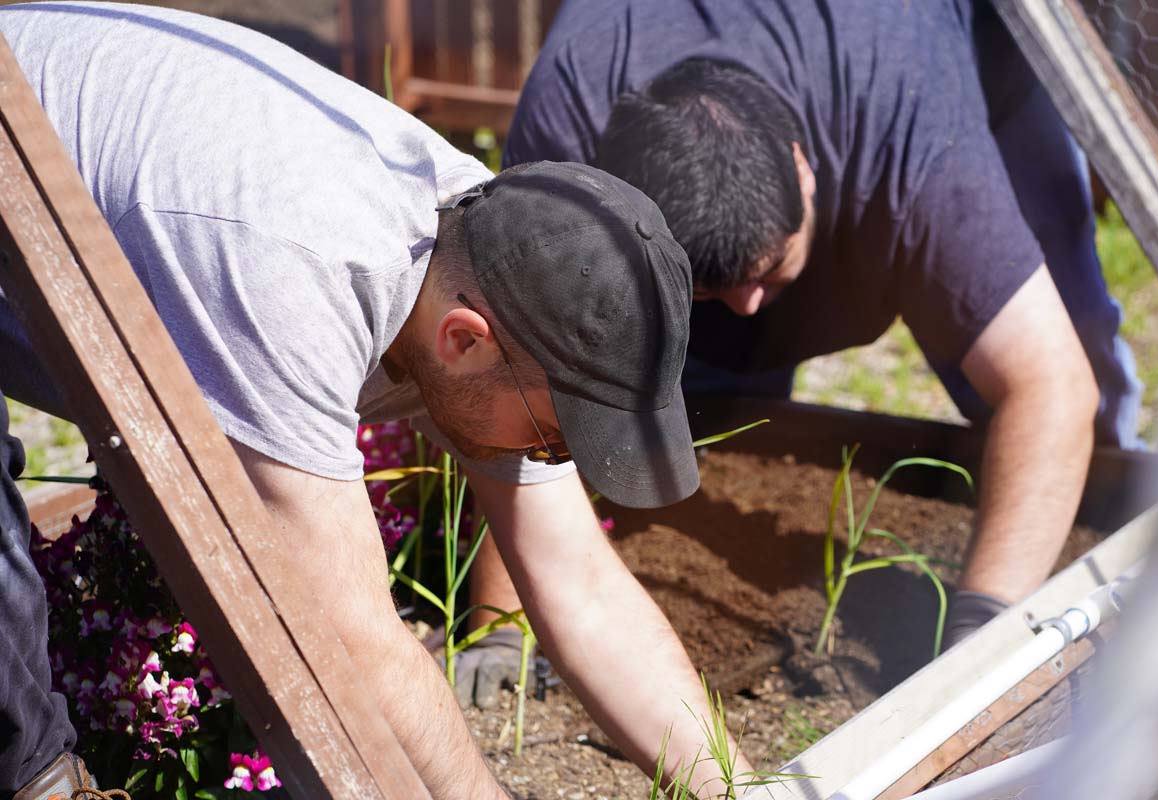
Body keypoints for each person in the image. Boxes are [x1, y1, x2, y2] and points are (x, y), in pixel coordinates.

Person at [0, 3, 748, 798]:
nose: (551, 459)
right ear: (465, 341)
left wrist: (735, 791)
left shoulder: (495, 255)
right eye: (557, 438)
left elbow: (582, 588)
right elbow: (348, 640)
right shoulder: (290, 276)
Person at [496, 0, 1143, 649]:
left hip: (942, 47)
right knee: (705, 392)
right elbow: (519, 372)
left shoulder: (912, 143)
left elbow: (1050, 384)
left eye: (768, 268)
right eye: (711, 288)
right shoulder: (568, 130)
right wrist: (500, 621)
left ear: (804, 170)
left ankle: (1117, 517)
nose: (747, 306)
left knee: (1060, 335)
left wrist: (981, 638)